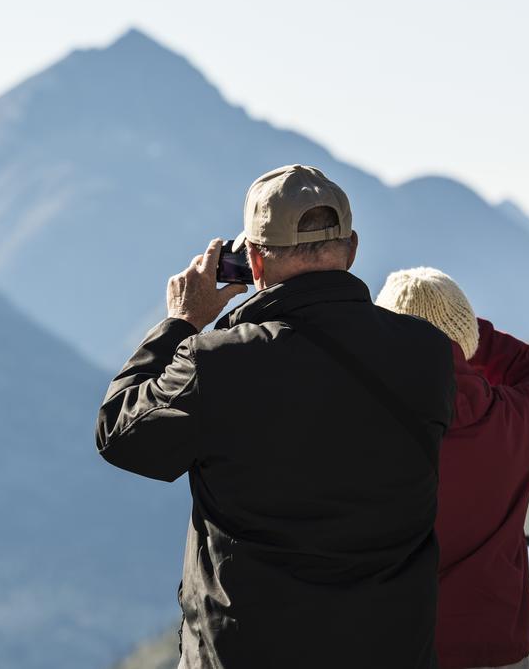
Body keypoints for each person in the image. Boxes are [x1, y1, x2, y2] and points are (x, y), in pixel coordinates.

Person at [95, 164, 457, 668]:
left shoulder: (216, 363)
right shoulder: (429, 355)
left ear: (255, 264)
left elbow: (121, 435)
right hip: (391, 649)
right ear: (351, 250)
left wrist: (181, 322)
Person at [377, 267, 529, 669]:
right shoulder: (514, 421)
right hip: (498, 654)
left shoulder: (357, 432)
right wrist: (466, 333)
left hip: (396, 649)